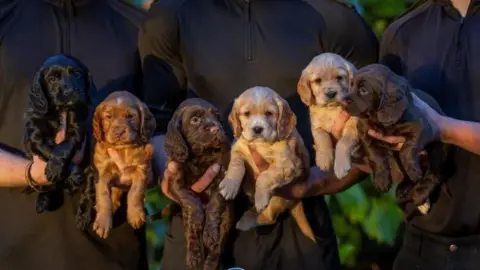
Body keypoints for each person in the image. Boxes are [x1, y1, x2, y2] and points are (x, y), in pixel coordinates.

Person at [138, 0, 378, 269]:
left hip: (297, 222)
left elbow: (375, 132)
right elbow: (156, 122)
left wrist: (313, 183)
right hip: (201, 220)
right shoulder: (170, 14)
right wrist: (170, 170)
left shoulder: (332, 16)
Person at [0, 1, 148, 269]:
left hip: (113, 254)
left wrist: (142, 170)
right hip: (12, 252)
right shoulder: (4, 17)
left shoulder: (139, 25)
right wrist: (32, 172)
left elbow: (162, 133)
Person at [333, 0, 480, 269]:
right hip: (421, 250)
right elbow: (386, 145)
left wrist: (442, 128)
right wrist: (353, 146)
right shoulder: (402, 32)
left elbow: (436, 127)